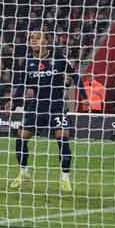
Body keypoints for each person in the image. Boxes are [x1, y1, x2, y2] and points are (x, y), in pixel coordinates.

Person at [8, 30, 82, 193]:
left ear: (46, 41)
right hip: (37, 106)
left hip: (56, 106)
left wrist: (84, 97)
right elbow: (22, 84)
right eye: (31, 38)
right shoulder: (28, 61)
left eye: (37, 38)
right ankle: (24, 173)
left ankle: (65, 178)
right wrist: (13, 100)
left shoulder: (58, 57)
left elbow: (75, 76)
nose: (33, 41)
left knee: (62, 139)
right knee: (21, 138)